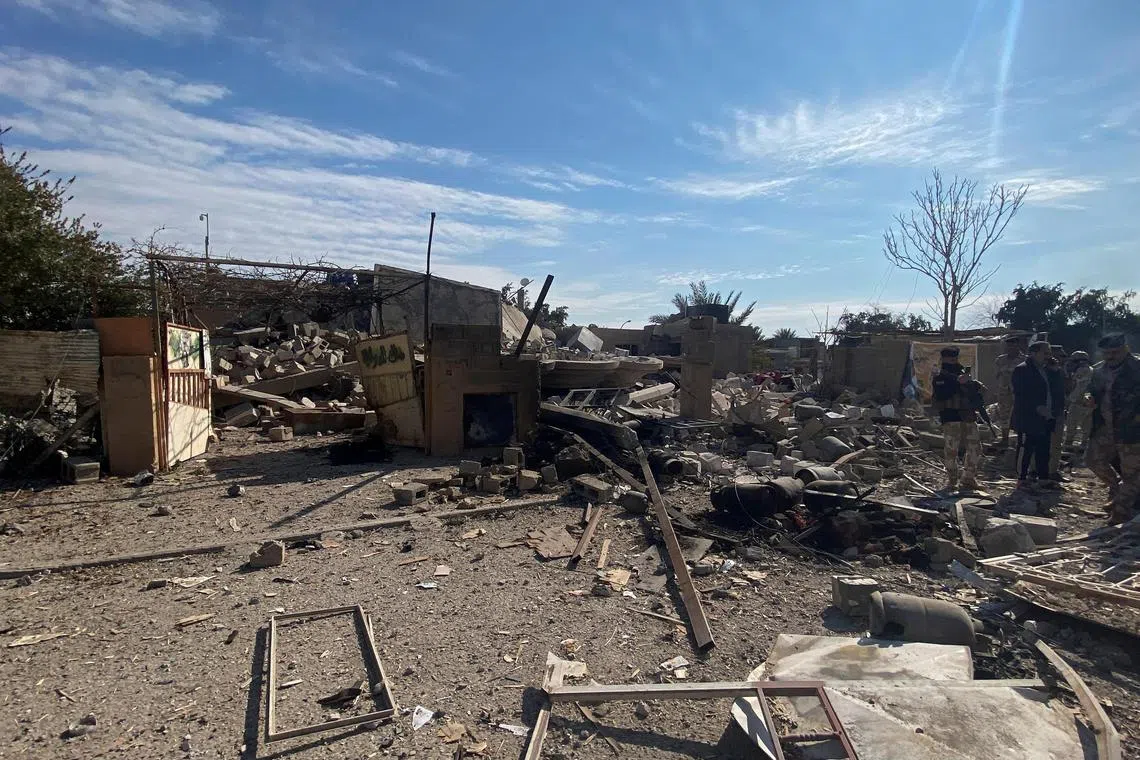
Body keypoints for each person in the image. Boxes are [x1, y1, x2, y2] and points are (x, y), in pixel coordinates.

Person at [1084, 334, 1140, 524]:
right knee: (1092, 460)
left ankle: (1121, 510)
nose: (1110, 357)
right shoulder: (1099, 370)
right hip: (1105, 427)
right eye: (1106, 353)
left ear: (1125, 349)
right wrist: (1089, 397)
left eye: (1114, 353)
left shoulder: (1137, 368)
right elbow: (1091, 389)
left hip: (1131, 429)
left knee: (1132, 472)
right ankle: (1117, 489)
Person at [1011, 341, 1064, 487]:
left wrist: (1056, 371)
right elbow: (1021, 394)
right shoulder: (1023, 369)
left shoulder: (1048, 370)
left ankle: (1043, 478)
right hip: (1029, 417)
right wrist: (1037, 407)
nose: (1048, 356)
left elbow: (1059, 389)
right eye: (1045, 353)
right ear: (1033, 353)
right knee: (1026, 448)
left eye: (1049, 353)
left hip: (1047, 416)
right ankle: (1021, 478)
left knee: (1044, 448)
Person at [931, 346, 983, 491]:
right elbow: (941, 395)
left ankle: (968, 478)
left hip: (968, 415)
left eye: (955, 357)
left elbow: (970, 393)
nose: (953, 360)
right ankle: (952, 480)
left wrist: (974, 386)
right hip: (950, 416)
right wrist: (957, 383)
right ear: (944, 358)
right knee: (951, 449)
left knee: (975, 447)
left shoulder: (962, 371)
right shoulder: (940, 375)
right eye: (950, 357)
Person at [993, 336, 1024, 449]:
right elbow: (997, 375)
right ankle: (1004, 439)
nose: (1010, 348)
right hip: (1004, 392)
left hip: (1019, 392)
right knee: (1004, 415)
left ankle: (1021, 439)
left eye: (1013, 345)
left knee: (1020, 414)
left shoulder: (1024, 360)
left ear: (1018, 346)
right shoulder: (1000, 360)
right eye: (1009, 345)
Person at [1046, 347, 1069, 480]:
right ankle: (1036, 470)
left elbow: (1065, 388)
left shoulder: (1060, 370)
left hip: (1058, 410)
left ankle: (1052, 471)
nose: (1061, 359)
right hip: (1046, 412)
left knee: (1056, 443)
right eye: (1059, 356)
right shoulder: (1042, 371)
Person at [1064, 351, 1094, 449]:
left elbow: (1074, 385)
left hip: (1079, 403)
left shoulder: (1083, 370)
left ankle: (1070, 448)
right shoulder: (1090, 370)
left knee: (1072, 428)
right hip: (1085, 403)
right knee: (1085, 429)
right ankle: (1082, 449)